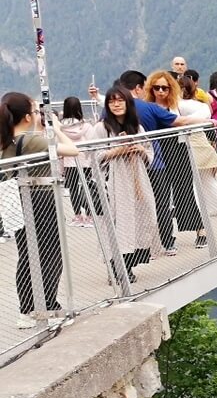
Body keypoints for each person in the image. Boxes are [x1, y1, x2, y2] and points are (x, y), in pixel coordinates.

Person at [0, 92, 81, 328]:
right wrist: (55, 126)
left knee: (27, 255)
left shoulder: (5, 141)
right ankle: (47, 307)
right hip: (42, 200)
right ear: (27, 116)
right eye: (35, 112)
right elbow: (72, 150)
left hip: (17, 203)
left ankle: (27, 310)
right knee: (50, 255)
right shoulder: (31, 141)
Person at [85, 85, 162, 283]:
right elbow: (91, 155)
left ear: (128, 103)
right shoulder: (101, 128)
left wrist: (139, 149)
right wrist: (115, 151)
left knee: (142, 217)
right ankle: (118, 270)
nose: (116, 104)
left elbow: (149, 151)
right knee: (117, 225)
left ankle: (128, 265)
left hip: (137, 181)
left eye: (120, 100)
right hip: (113, 184)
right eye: (112, 101)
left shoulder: (137, 127)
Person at [145, 70, 208, 253]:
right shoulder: (148, 106)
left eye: (164, 87)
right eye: (157, 87)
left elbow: (203, 109)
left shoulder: (177, 104)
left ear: (170, 88)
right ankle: (167, 238)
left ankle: (200, 230)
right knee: (160, 196)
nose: (161, 91)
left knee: (184, 190)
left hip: (177, 150)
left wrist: (192, 122)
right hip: (156, 151)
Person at [180, 75, 217, 231]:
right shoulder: (200, 106)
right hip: (200, 142)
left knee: (194, 181)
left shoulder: (177, 105)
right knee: (207, 178)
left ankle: (200, 211)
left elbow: (180, 120)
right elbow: (207, 113)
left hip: (185, 143)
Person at [58, 97, 99, 228]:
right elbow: (92, 142)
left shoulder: (60, 127)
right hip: (84, 161)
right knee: (87, 187)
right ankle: (90, 215)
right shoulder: (86, 126)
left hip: (69, 162)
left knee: (74, 189)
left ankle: (78, 216)